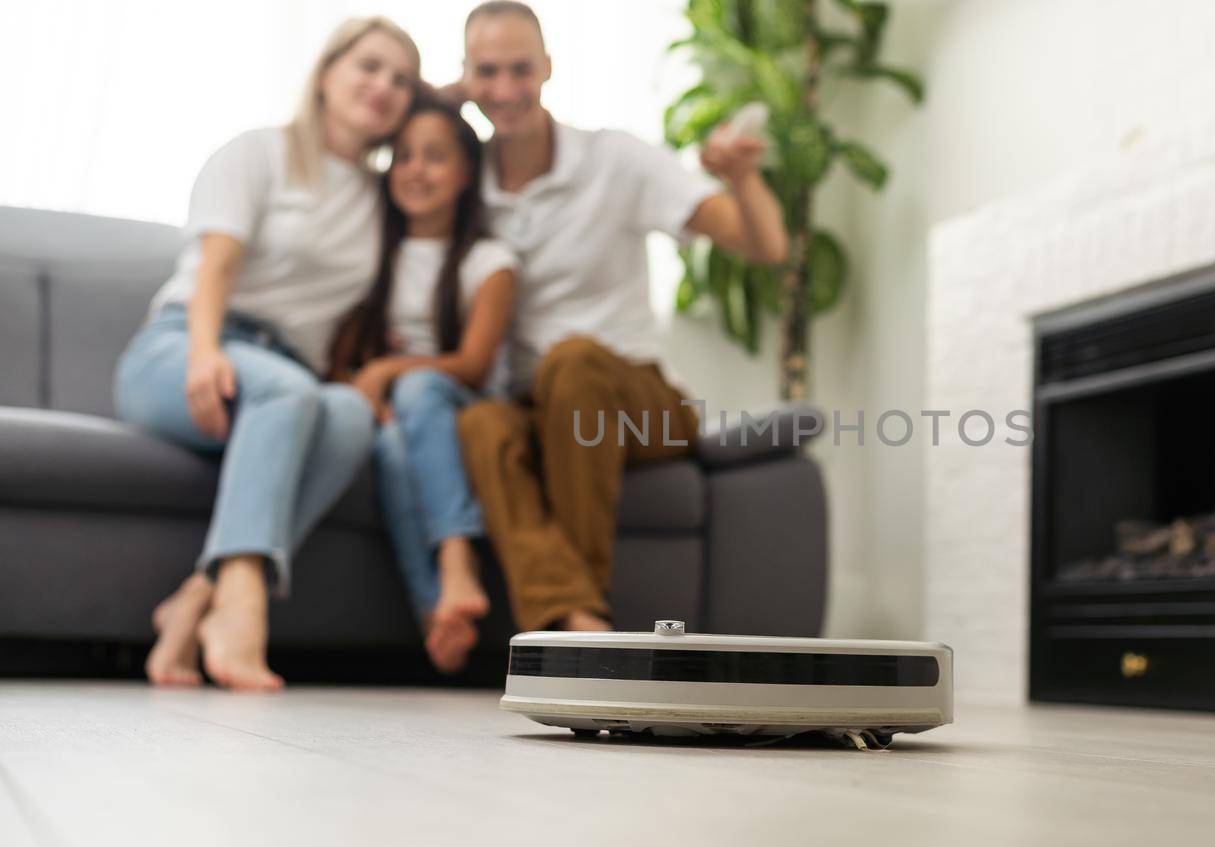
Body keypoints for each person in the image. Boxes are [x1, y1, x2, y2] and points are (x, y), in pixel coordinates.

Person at [450, 1, 790, 633]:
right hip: (538, 404)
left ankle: (584, 643)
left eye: (520, 70)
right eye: (486, 73)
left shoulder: (616, 160)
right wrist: (446, 98)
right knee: (480, 422)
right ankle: (578, 621)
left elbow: (764, 245)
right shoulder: (466, 180)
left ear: (548, 68)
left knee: (574, 362)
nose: (504, 90)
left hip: (638, 402)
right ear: (465, 78)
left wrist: (742, 179)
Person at [113, 18, 421, 691]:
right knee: (291, 391)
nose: (384, 86)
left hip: (288, 378)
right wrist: (202, 353)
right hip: (180, 347)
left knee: (347, 411)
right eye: (368, 66)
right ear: (327, 71)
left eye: (402, 79)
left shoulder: (381, 201)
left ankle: (195, 596)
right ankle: (239, 603)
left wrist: (448, 93)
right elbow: (216, 266)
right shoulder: (260, 152)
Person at [326, 98, 516, 674]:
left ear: (466, 172)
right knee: (387, 448)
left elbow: (475, 364)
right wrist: (367, 391)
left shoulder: (490, 260)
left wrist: (387, 373)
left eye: (435, 157)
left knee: (419, 390)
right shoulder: (372, 252)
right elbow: (337, 358)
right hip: (402, 415)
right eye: (403, 156)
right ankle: (438, 616)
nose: (415, 170)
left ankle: (458, 560)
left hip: (465, 403)